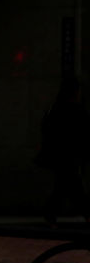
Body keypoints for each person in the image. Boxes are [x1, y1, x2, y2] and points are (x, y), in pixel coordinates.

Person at [38, 76, 90, 225]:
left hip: (60, 154)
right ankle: (85, 212)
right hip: (69, 155)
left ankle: (51, 212)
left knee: (64, 185)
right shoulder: (74, 110)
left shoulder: (55, 108)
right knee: (73, 186)